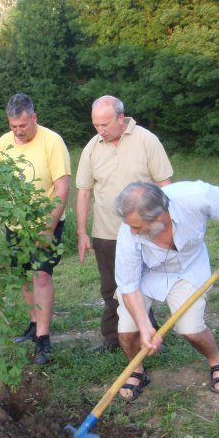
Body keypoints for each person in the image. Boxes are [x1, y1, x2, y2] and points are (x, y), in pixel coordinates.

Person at [113, 180, 219, 400]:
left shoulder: (196, 196)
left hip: (189, 268)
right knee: (127, 331)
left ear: (159, 216)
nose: (131, 232)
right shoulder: (128, 234)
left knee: (190, 329)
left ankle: (216, 361)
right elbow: (129, 285)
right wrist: (145, 328)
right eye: (129, 226)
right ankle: (137, 370)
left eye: (137, 227)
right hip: (148, 272)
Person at [76, 95, 173, 352]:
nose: (100, 130)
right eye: (96, 125)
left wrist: (168, 223)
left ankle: (148, 334)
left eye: (105, 124)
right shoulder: (92, 147)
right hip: (106, 232)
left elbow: (165, 184)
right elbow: (84, 191)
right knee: (110, 288)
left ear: (121, 118)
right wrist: (82, 232)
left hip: (143, 231)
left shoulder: (146, 140)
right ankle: (112, 338)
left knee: (140, 285)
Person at [0, 93, 71, 365]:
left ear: (34, 117)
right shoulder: (4, 142)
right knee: (22, 275)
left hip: (45, 221)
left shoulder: (53, 142)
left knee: (41, 275)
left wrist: (48, 226)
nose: (18, 132)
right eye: (13, 126)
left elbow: (62, 188)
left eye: (23, 125)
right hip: (14, 223)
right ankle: (34, 325)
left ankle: (44, 340)